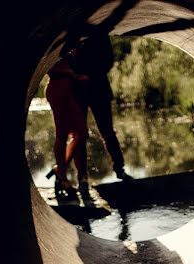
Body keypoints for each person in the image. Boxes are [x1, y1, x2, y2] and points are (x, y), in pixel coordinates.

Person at [74, 33, 133, 182]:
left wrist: (90, 75)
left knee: (107, 131)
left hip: (99, 89)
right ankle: (82, 175)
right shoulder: (72, 34)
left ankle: (119, 169)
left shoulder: (100, 34)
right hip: (78, 91)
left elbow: (109, 61)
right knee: (80, 134)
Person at [44, 41, 90, 200]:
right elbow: (48, 66)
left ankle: (59, 170)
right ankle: (62, 177)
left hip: (69, 91)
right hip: (57, 89)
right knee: (62, 135)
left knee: (82, 132)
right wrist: (72, 74)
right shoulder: (53, 42)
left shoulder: (68, 42)